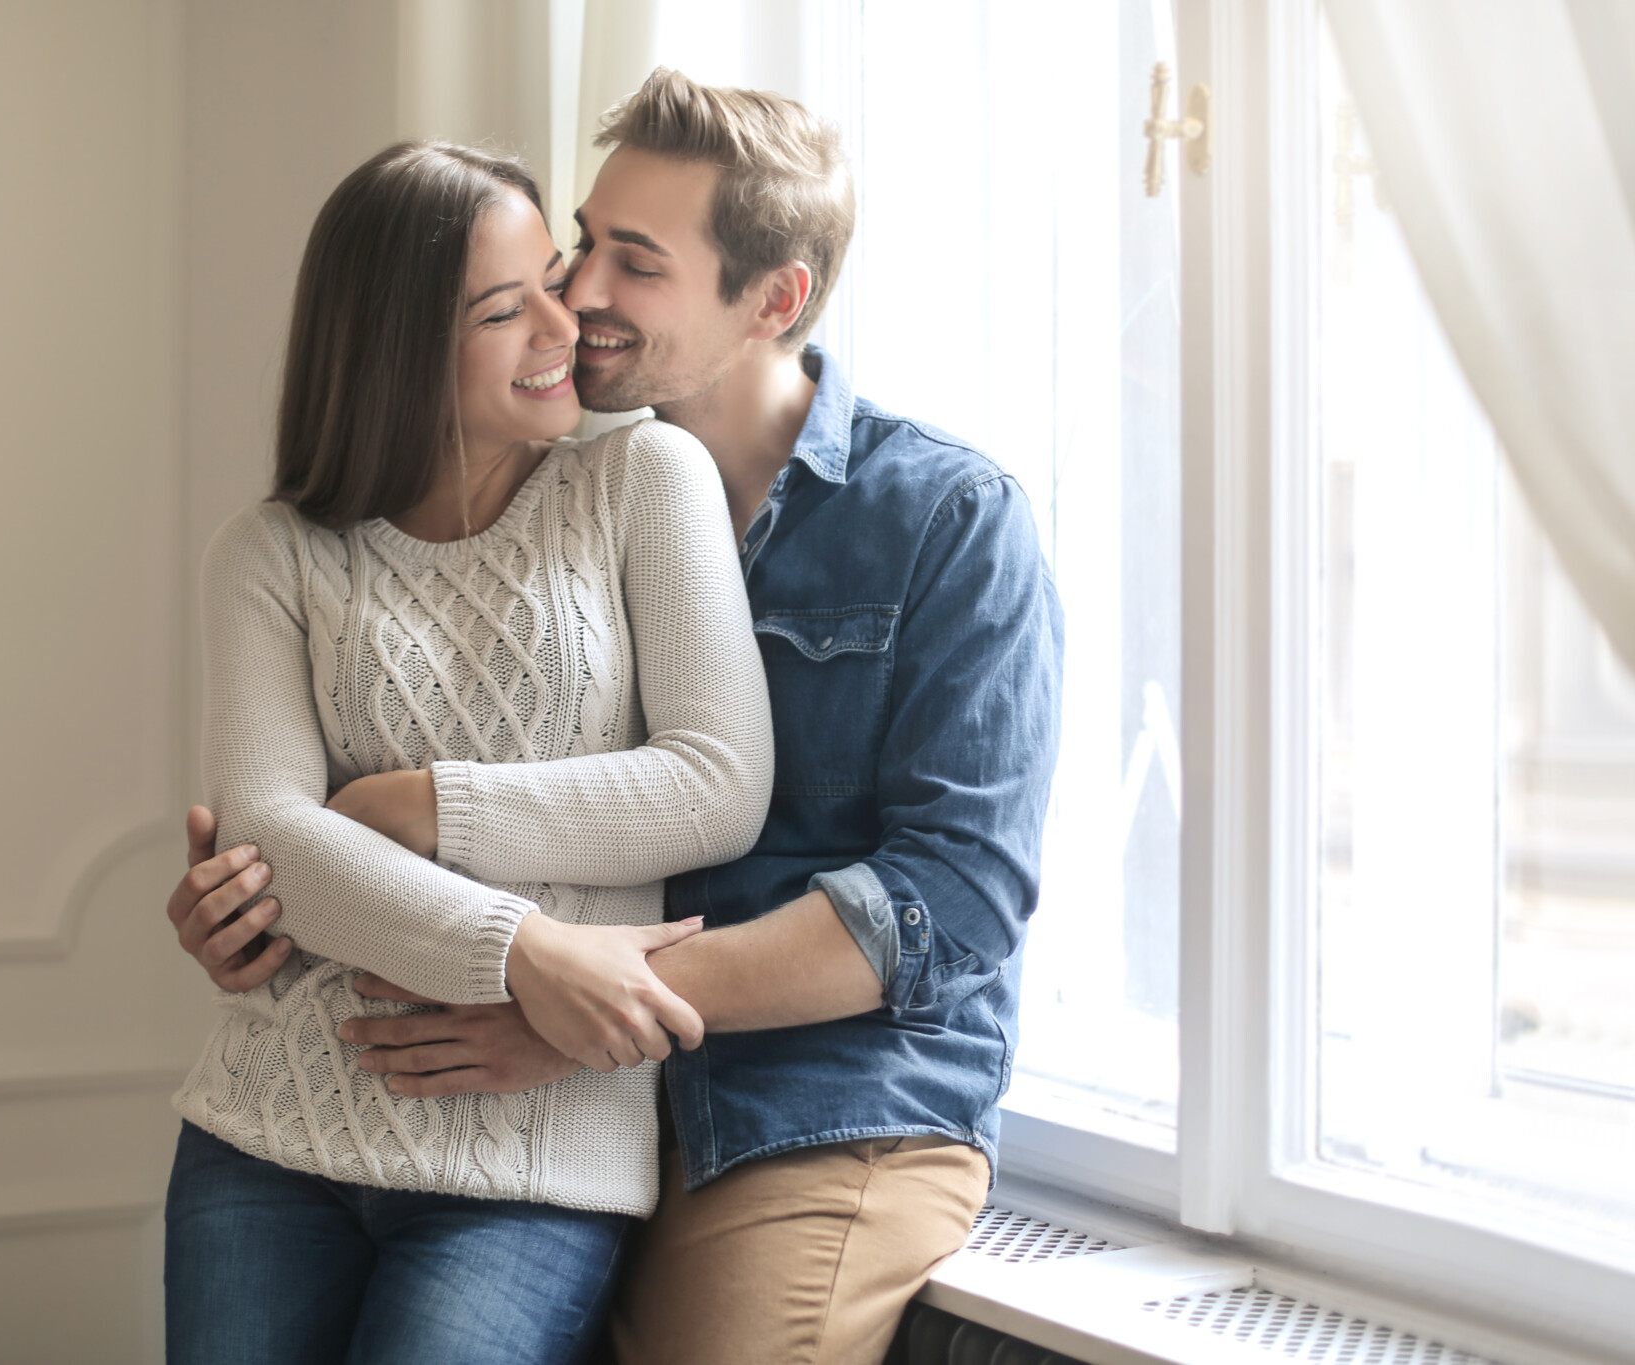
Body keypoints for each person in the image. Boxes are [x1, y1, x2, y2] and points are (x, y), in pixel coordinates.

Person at [170, 70, 1064, 1365]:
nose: (577, 295)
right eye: (583, 241)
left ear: (775, 301)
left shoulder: (942, 523)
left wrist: (553, 992)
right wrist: (270, 900)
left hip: (810, 1101)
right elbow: (292, 822)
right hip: (529, 1078)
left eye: (631, 263)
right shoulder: (539, 498)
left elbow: (953, 901)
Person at [163, 137, 774, 1365]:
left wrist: (423, 808)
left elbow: (715, 784)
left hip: (528, 1166)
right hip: (267, 1137)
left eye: (554, 275)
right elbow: (274, 845)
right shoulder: (270, 554)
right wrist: (523, 951)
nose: (568, 321)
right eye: (507, 308)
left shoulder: (644, 480)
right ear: (396, 349)